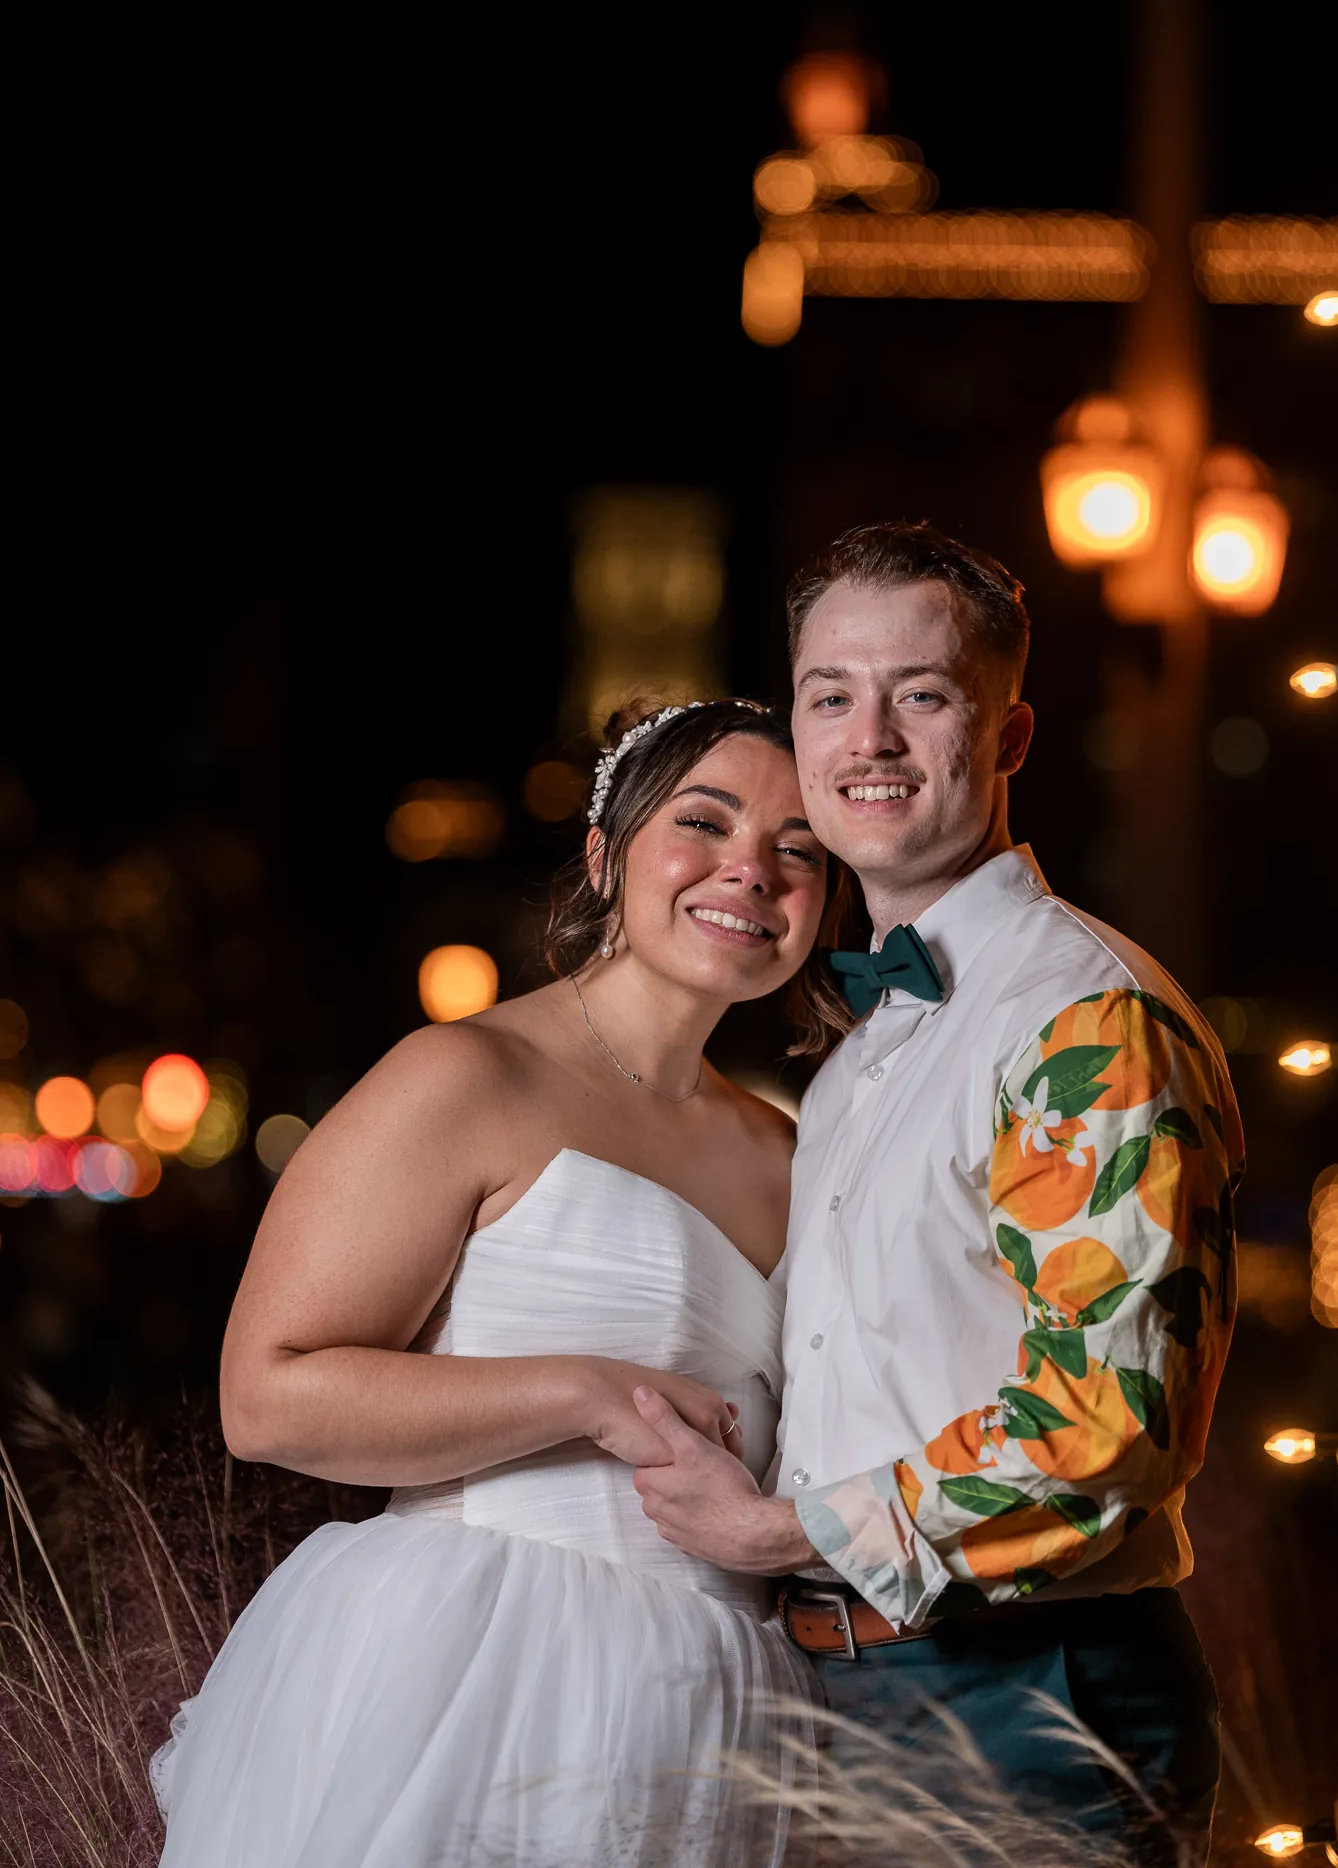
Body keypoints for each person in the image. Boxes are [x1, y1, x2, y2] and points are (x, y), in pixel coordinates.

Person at [631, 522, 1242, 1866]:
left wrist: (777, 1529)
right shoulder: (865, 1044)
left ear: (1011, 736)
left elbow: (1109, 1422)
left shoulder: (1081, 1019)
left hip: (1024, 1697)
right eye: (831, 696)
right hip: (847, 1694)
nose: (872, 740)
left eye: (922, 694)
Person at [152, 698, 849, 1868]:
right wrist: (584, 1393)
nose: (752, 871)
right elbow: (266, 1396)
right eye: (705, 821)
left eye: (798, 848)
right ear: (604, 850)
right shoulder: (468, 1073)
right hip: (482, 1665)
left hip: (725, 1708)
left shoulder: (788, 1150)